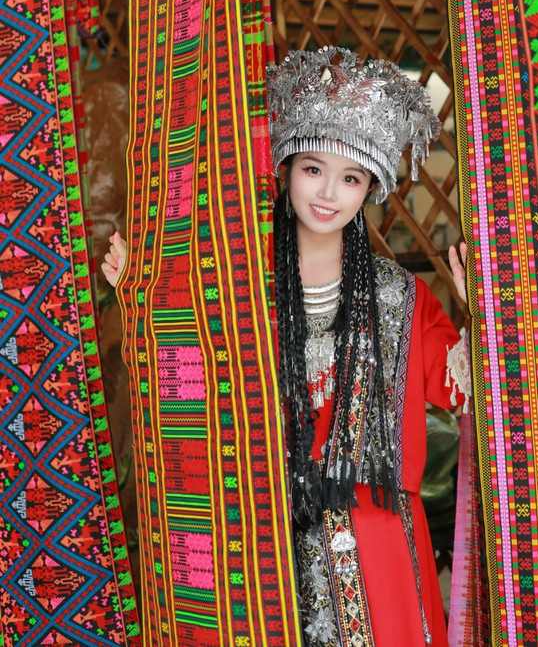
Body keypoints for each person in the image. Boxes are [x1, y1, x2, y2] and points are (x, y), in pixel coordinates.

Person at [102, 46, 470, 647]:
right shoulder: (236, 286)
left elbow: (466, 391)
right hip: (255, 540)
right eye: (313, 169)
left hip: (374, 549)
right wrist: (141, 299)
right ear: (287, 167)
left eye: (350, 178)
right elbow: (180, 380)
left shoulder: (400, 297)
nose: (328, 193)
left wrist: (487, 315)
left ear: (370, 189)